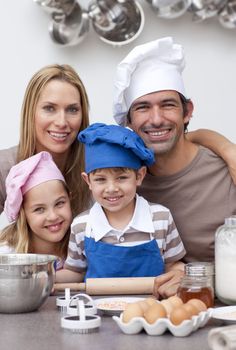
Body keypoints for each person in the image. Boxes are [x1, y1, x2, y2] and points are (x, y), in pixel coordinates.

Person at [112, 36, 236, 297]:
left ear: (187, 111)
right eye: (143, 108)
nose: (156, 119)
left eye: (168, 105)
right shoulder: (123, 184)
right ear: (129, 121)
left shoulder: (227, 170)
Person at [56, 123, 186, 296]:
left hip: (150, 310)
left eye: (122, 178)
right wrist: (45, 278)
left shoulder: (160, 218)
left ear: (139, 176)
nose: (111, 188)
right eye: (101, 180)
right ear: (88, 181)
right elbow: (75, 272)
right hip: (97, 312)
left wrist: (181, 273)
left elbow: (173, 264)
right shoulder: (82, 226)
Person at [0, 64, 90, 219]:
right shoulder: (4, 166)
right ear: (31, 112)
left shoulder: (97, 167)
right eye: (49, 108)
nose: (62, 122)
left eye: (72, 109)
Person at [0, 151, 72, 270]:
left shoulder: (80, 247)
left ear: (70, 198)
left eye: (59, 203)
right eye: (39, 209)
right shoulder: (6, 256)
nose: (53, 216)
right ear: (23, 214)